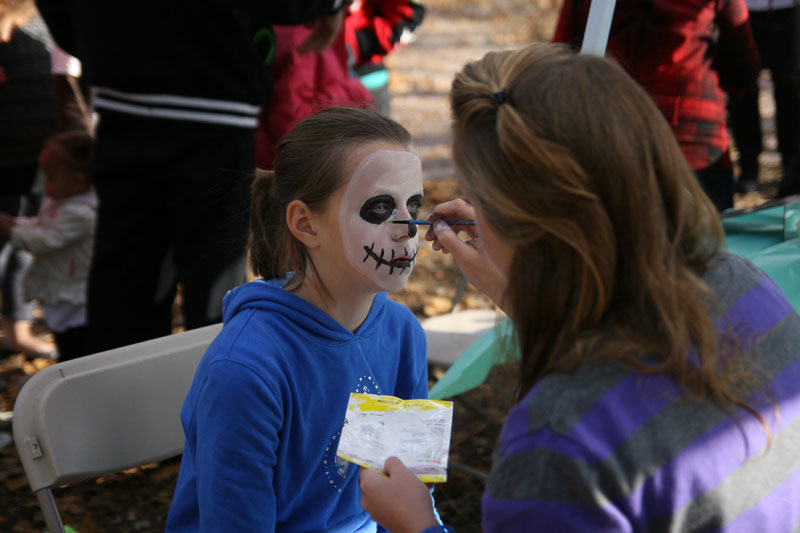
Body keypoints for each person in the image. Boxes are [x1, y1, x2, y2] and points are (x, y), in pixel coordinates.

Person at [359, 42, 800, 530]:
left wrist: (419, 525)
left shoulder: (557, 447)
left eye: (478, 198)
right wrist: (518, 291)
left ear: (522, 225)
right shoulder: (739, 282)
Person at [167, 107, 436, 531]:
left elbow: (407, 495)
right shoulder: (245, 370)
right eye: (381, 207)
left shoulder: (403, 334)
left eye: (414, 204)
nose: (408, 228)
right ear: (305, 224)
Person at [35, 0, 349, 353]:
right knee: (212, 290)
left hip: (126, 98)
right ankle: (218, 398)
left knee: (126, 286)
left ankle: (123, 403)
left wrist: (106, 39)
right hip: (213, 99)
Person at [553, 0, 761, 212]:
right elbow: (743, 68)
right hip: (692, 147)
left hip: (612, 141)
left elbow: (561, 60)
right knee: (706, 243)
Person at [0, 131, 96, 361]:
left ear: (77, 180)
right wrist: (18, 223)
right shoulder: (61, 201)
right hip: (59, 286)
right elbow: (41, 225)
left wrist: (11, 229)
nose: (44, 183)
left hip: (72, 293)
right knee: (63, 333)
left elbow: (46, 240)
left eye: (50, 177)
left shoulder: (80, 212)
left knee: (75, 344)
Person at [0, 8, 58, 358]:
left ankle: (18, 331)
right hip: (5, 157)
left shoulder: (46, 13)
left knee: (24, 249)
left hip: (45, 157)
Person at [344, 0, 426, 116]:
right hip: (315, 74)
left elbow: (408, 10)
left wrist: (366, 40)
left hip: (367, 68)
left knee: (377, 130)